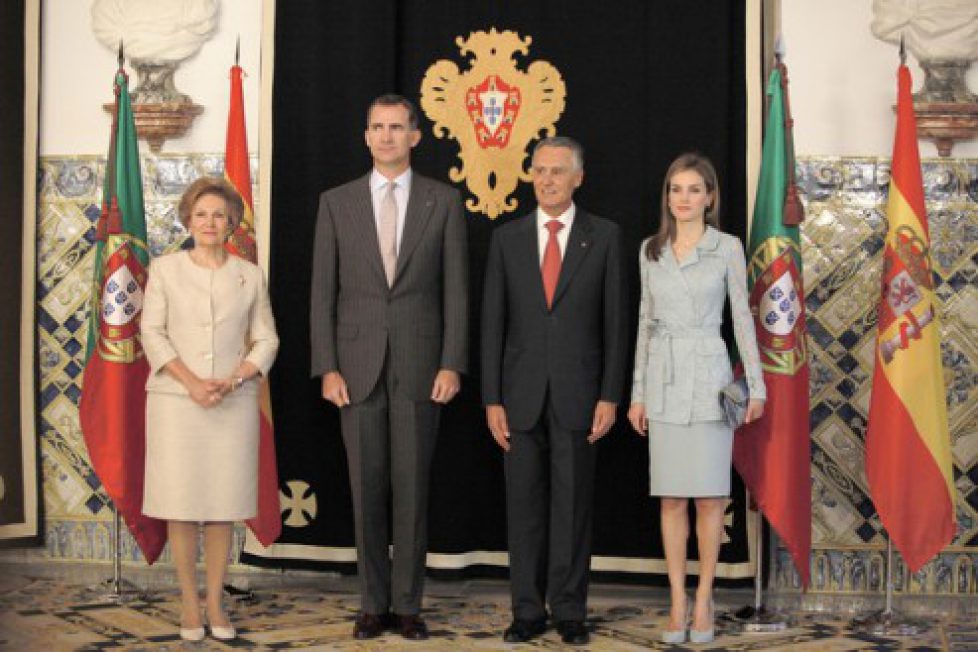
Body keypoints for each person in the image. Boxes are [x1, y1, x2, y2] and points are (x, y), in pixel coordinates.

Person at [309, 94, 468, 641]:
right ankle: (372, 602)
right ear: (365, 135)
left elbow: (456, 292)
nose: (386, 137)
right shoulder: (336, 202)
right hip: (354, 370)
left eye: (397, 128)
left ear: (415, 136)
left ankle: (408, 605)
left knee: (413, 491)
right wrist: (326, 366)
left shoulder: (442, 202)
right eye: (377, 127)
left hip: (423, 369)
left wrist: (452, 362)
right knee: (366, 489)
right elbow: (321, 293)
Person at [481, 136, 626, 646]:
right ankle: (526, 610)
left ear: (577, 178)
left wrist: (610, 394)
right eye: (539, 170)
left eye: (557, 171)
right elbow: (492, 324)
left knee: (572, 508)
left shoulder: (604, 237)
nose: (546, 179)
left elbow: (615, 324)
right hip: (518, 396)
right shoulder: (507, 239)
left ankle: (568, 610)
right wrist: (492, 398)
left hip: (580, 396)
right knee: (522, 509)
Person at [627, 152, 766, 645]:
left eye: (692, 190)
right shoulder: (651, 249)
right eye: (675, 189)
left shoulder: (726, 247)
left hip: (709, 378)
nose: (682, 198)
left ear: (710, 197)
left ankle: (705, 597)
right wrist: (637, 393)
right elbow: (645, 322)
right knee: (670, 499)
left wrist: (757, 384)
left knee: (710, 498)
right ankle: (677, 601)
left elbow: (743, 321)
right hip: (663, 379)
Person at [141, 176, 279, 642]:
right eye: (201, 214)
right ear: (188, 218)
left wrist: (239, 375)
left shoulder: (249, 275)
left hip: (232, 402)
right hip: (177, 403)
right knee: (181, 505)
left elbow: (267, 338)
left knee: (221, 506)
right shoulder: (164, 269)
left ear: (232, 223)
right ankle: (187, 603)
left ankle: (217, 603)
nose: (209, 222)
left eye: (219, 215)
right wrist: (192, 382)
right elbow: (152, 333)